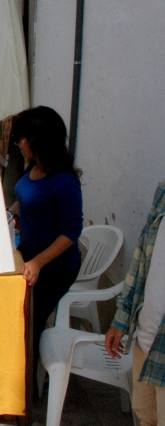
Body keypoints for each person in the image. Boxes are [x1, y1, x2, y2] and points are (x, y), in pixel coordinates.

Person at [8, 106, 83, 390]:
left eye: (21, 138)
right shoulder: (34, 167)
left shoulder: (64, 182)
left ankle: (27, 390)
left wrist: (38, 262)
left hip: (55, 267)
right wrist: (9, 213)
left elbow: (71, 233)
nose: (17, 143)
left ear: (36, 140)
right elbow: (25, 199)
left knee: (29, 322)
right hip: (29, 251)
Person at [105, 182, 165, 426]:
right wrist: (122, 317)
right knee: (143, 413)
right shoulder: (163, 191)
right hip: (147, 339)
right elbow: (142, 258)